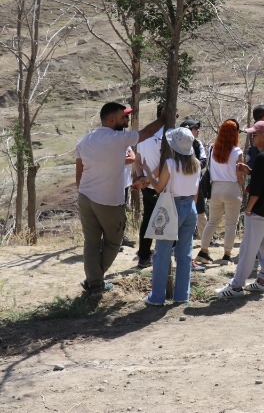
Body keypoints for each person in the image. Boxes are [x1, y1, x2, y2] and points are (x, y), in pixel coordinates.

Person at [75, 102, 163, 296]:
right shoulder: (117, 138)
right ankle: (95, 282)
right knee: (114, 242)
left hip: (85, 197)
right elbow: (147, 132)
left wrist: (83, 193)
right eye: (124, 117)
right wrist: (164, 118)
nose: (127, 120)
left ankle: (94, 282)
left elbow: (78, 174)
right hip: (108, 201)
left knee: (91, 243)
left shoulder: (84, 140)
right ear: (112, 119)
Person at [215, 121, 264, 297]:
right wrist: (250, 171)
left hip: (258, 209)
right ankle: (263, 280)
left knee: (247, 249)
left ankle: (236, 286)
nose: (252, 137)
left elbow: (257, 189)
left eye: (255, 134)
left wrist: (249, 209)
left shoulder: (260, 157)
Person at [141, 127, 200, 306]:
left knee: (162, 254)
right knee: (185, 254)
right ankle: (182, 296)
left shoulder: (170, 163)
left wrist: (148, 173)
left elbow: (158, 188)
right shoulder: (196, 163)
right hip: (190, 207)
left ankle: (157, 297)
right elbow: (196, 192)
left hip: (171, 207)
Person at [196, 119, 244, 264]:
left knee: (212, 222)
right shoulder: (237, 152)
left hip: (215, 188)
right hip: (232, 189)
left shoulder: (212, 149)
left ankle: (203, 251)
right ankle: (226, 255)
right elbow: (240, 176)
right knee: (231, 224)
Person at [133, 106, 165, 269]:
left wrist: (142, 178)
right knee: (166, 220)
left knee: (147, 220)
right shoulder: (168, 135)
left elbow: (137, 160)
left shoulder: (144, 135)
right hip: (163, 185)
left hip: (147, 185)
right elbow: (166, 164)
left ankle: (144, 256)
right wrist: (147, 178)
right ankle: (164, 256)